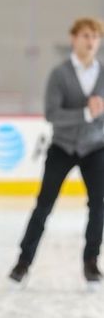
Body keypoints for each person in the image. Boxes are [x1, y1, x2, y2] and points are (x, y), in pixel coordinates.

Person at [10, 17, 104, 284]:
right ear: (74, 38)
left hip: (96, 147)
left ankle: (91, 262)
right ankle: (23, 262)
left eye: (95, 37)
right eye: (86, 35)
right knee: (44, 205)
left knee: (99, 205)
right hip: (62, 147)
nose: (91, 41)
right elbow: (52, 114)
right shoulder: (60, 75)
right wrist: (86, 112)